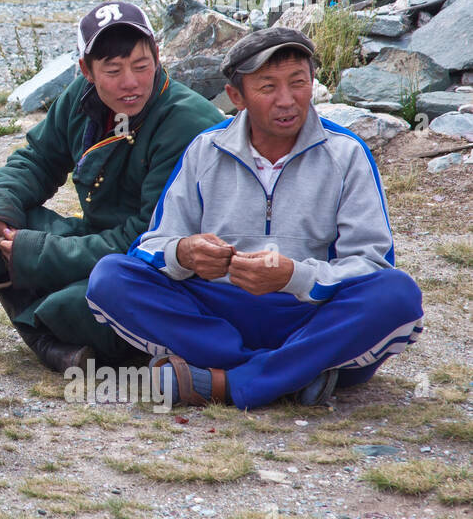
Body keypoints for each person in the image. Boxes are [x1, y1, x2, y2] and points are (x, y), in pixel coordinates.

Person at [85, 27, 424, 409]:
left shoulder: (346, 153)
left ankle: (225, 382)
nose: (287, 101)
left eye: (298, 83)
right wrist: (184, 253)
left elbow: (372, 265)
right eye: (267, 88)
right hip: (217, 315)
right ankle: (292, 374)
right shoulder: (205, 150)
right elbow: (151, 247)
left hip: (309, 317)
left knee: (397, 294)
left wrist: (294, 276)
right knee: (110, 278)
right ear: (236, 96)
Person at [0, 1, 223, 372]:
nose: (130, 82)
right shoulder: (83, 97)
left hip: (156, 263)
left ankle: (50, 341)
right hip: (99, 241)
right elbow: (39, 159)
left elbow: (148, 236)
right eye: (113, 70)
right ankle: (59, 335)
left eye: (142, 66)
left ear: (158, 56)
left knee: (82, 301)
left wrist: (38, 255)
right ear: (86, 70)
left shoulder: (185, 122)